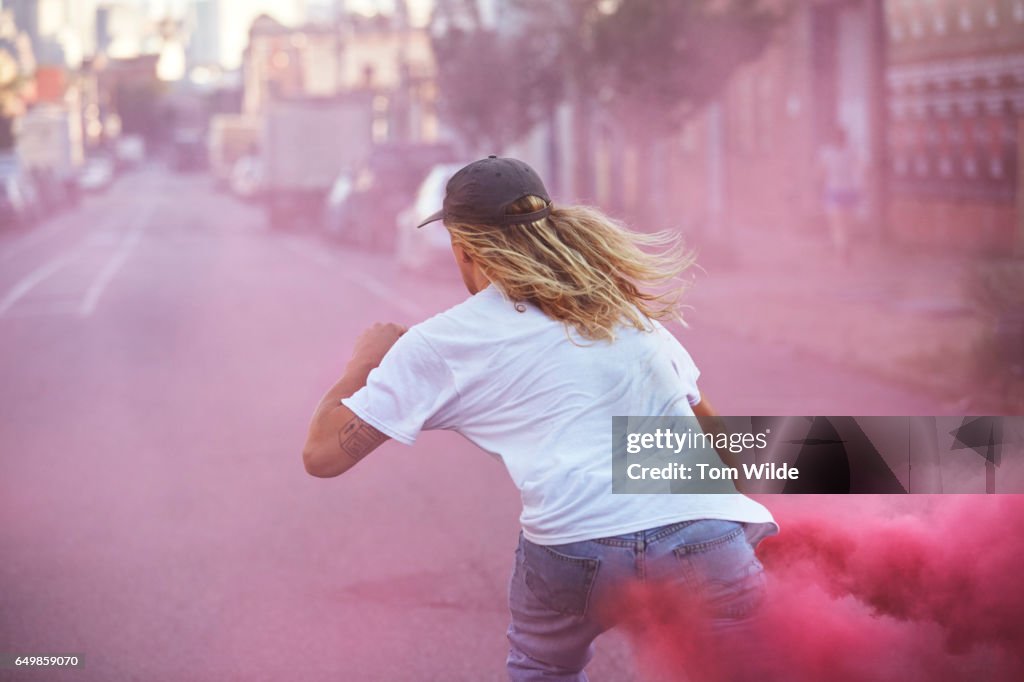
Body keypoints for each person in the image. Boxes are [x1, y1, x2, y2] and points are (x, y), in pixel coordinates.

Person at [302, 156, 778, 681]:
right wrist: (735, 525)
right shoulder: (619, 310)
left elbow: (322, 456)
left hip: (574, 547)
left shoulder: (440, 343)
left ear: (462, 248)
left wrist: (365, 362)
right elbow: (709, 429)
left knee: (543, 667)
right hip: (703, 537)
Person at [817, 127, 864, 264]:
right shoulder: (852, 151)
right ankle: (846, 246)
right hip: (850, 191)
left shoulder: (826, 153)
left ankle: (841, 249)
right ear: (845, 138)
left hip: (834, 192)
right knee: (848, 225)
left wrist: (819, 186)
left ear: (832, 138)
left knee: (837, 226)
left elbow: (820, 173)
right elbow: (862, 169)